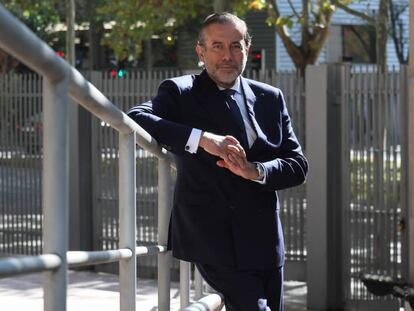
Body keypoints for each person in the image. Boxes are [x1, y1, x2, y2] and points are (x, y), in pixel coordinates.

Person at [127, 12, 308, 311]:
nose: (228, 56)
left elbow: (297, 165)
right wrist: (204, 140)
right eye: (217, 46)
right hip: (213, 239)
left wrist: (255, 171)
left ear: (247, 49)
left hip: (266, 241)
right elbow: (136, 118)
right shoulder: (181, 92)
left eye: (236, 46)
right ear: (201, 51)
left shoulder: (270, 98)